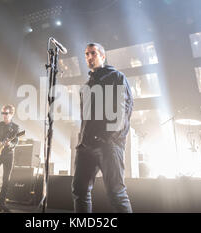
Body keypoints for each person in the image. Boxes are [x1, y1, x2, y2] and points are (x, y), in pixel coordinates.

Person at [71, 43, 133, 213]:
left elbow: (124, 110)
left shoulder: (116, 77)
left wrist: (108, 138)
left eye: (93, 53)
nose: (89, 57)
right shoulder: (86, 86)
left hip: (108, 145)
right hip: (85, 146)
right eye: (86, 54)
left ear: (103, 56)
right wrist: (81, 141)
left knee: (116, 193)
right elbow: (86, 118)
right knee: (80, 190)